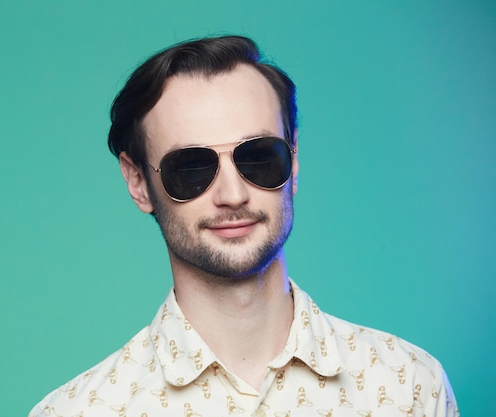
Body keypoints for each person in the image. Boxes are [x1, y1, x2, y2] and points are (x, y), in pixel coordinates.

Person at [29, 35, 458, 417]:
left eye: (258, 157)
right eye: (191, 167)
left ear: (292, 161)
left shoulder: (410, 388)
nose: (233, 195)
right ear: (139, 182)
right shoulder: (78, 410)